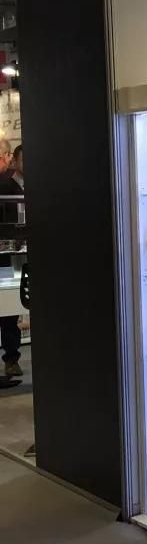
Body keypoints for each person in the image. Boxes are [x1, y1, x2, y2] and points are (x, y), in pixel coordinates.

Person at [0, 145, 24, 378]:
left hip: (28, 255)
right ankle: (11, 358)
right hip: (7, 257)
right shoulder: (4, 186)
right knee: (7, 310)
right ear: (15, 161)